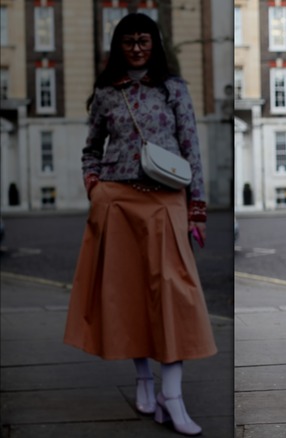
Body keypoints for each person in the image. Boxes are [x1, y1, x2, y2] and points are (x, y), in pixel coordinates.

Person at [63, 13, 215, 436]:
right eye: (128, 41)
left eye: (143, 40)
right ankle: (144, 381)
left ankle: (173, 396)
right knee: (129, 296)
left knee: (173, 295)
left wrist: (196, 207)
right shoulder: (107, 92)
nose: (136, 48)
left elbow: (191, 148)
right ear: (118, 46)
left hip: (167, 201)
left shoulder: (173, 88)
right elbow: (91, 149)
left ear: (155, 44)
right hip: (119, 201)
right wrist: (95, 189)